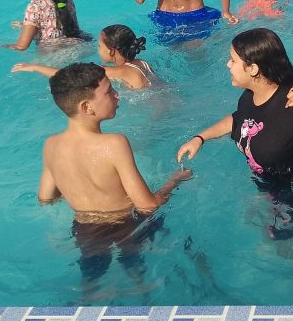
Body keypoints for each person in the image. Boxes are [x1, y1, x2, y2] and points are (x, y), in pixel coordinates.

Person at [175, 29, 293, 239]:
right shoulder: (250, 96)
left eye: (233, 60)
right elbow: (238, 119)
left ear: (253, 69)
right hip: (271, 184)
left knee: (286, 249)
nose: (228, 64)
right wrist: (200, 138)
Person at [38, 62, 192, 289]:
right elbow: (147, 206)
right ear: (87, 107)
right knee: (144, 276)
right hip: (127, 225)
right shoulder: (114, 144)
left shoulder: (51, 145)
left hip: (85, 230)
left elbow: (47, 198)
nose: (117, 94)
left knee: (90, 283)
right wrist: (174, 180)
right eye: (109, 91)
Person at [14, 24, 157, 90]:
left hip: (156, 114)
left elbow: (71, 75)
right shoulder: (142, 63)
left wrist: (35, 67)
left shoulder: (117, 71)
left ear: (111, 51)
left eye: (100, 46)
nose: (98, 49)